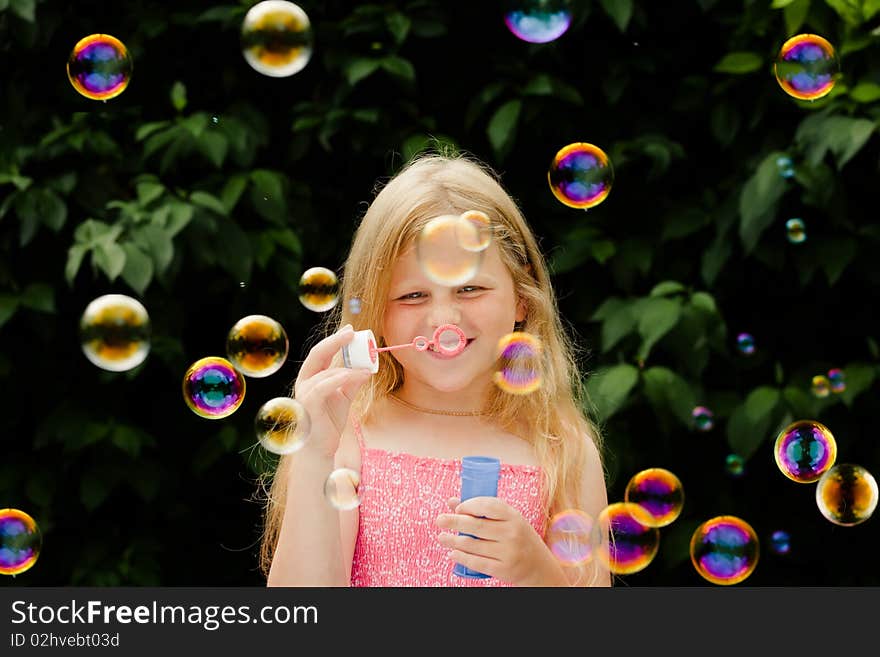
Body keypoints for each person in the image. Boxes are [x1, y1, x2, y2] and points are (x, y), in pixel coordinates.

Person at [259, 151, 610, 587]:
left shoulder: (563, 451)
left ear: (523, 296)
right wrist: (314, 453)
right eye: (412, 296)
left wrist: (537, 573)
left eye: (469, 288)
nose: (444, 320)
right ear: (375, 312)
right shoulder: (347, 437)